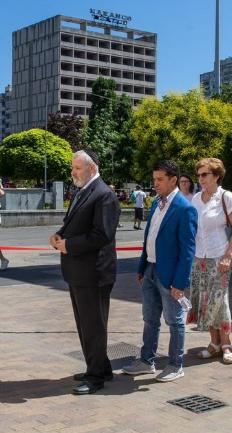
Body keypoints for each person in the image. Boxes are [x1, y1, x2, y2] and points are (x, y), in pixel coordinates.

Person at [49, 150, 119, 395]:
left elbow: (102, 235)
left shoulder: (104, 195)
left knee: (93, 325)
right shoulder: (84, 190)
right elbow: (76, 223)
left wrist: (70, 245)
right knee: (86, 324)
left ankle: (95, 377)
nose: (73, 172)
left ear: (92, 167)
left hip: (94, 273)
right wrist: (61, 235)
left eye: (77, 168)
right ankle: (101, 366)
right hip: (78, 271)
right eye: (73, 167)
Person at [123, 160, 198, 382]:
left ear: (173, 180)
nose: (155, 183)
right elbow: (149, 237)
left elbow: (187, 251)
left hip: (170, 276)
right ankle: (147, 361)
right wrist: (141, 266)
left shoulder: (185, 209)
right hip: (150, 270)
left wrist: (179, 283)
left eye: (159, 179)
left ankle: (176, 364)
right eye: (154, 179)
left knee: (175, 320)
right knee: (150, 318)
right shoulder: (157, 203)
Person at [190, 158, 232, 364]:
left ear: (216, 176)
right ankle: (214, 343)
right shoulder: (195, 199)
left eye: (205, 174)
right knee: (205, 300)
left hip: (220, 255)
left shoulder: (225, 196)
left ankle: (227, 343)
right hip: (199, 257)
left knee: (220, 300)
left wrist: (228, 256)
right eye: (199, 175)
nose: (201, 178)